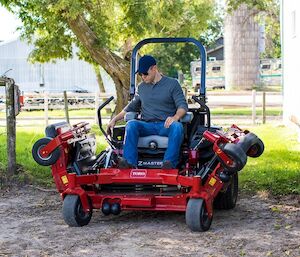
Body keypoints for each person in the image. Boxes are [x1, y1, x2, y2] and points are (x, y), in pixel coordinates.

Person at [107, 55, 188, 169]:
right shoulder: (141, 87)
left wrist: (175, 117)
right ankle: (129, 163)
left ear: (154, 68)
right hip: (147, 125)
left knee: (177, 127)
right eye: (141, 74)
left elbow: (182, 106)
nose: (143, 77)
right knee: (131, 124)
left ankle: (169, 164)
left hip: (165, 125)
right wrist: (114, 119)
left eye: (145, 74)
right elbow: (130, 107)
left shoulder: (172, 84)